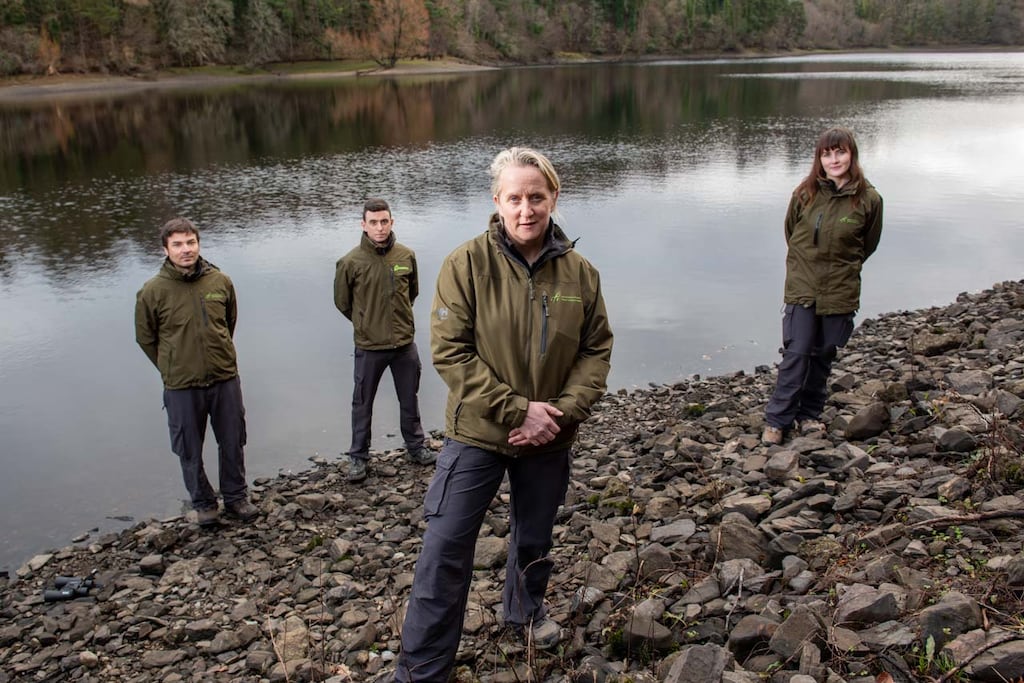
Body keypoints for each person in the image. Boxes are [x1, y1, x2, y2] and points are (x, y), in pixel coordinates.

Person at [395, 147, 614, 682]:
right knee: (445, 547)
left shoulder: (580, 273)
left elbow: (596, 349)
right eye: (514, 198)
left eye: (536, 197)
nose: (526, 209)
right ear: (497, 201)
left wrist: (560, 414)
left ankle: (523, 611)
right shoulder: (465, 264)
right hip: (479, 433)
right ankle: (422, 669)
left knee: (534, 535)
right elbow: (451, 353)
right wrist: (518, 409)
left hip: (551, 436)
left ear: (553, 198)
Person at [762, 127, 884, 445]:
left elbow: (867, 245)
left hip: (840, 289)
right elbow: (791, 235)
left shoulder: (869, 199)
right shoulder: (805, 194)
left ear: (852, 155)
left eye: (840, 152)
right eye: (827, 154)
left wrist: (842, 268)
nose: (834, 159)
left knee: (824, 353)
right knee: (797, 352)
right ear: (819, 159)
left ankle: (810, 415)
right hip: (803, 286)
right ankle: (777, 420)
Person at [135, 217, 258, 527]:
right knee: (189, 447)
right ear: (165, 249)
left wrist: (217, 355)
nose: (186, 249)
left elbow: (229, 323)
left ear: (198, 244)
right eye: (177, 244)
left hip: (223, 377)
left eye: (190, 243)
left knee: (232, 439)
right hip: (181, 385)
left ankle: (235, 498)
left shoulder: (220, 282)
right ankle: (204, 503)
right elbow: (146, 338)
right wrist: (171, 366)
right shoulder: (152, 291)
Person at [334, 198, 435, 483]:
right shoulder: (350, 262)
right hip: (369, 347)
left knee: (409, 398)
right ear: (363, 225)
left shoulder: (406, 256)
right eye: (373, 222)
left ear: (392, 222)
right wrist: (366, 324)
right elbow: (342, 303)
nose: (380, 228)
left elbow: (411, 293)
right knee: (362, 403)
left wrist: (399, 323)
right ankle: (358, 457)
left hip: (404, 345)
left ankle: (416, 447)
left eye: (384, 221)